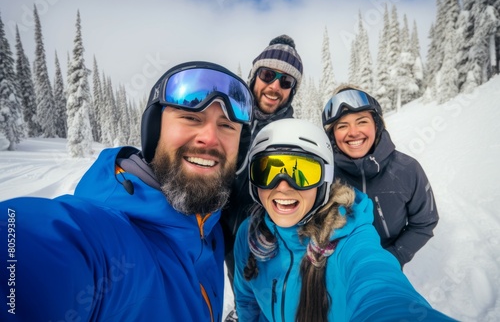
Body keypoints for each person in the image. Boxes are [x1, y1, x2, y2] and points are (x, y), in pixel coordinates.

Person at [0, 61, 253, 321]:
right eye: (191, 118)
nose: (210, 138)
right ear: (155, 130)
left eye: (226, 126)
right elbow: (31, 249)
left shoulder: (211, 228)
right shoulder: (107, 242)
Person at [233, 118, 456, 321]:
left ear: (325, 179)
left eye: (303, 172)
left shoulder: (349, 234)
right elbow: (246, 299)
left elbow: (376, 282)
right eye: (267, 171)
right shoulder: (250, 234)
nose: (282, 186)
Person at [221, 34, 303, 321]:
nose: (274, 86)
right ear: (254, 76)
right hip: (215, 227)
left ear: (292, 91)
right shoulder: (226, 116)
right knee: (229, 283)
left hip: (263, 232)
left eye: (286, 81)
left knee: (268, 290)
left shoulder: (291, 136)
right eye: (268, 75)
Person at [321, 84, 439, 268]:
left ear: (376, 125)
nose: (353, 132)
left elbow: (425, 222)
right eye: (343, 125)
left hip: (388, 265)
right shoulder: (324, 174)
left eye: (362, 121)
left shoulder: (407, 169)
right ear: (332, 135)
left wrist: (394, 256)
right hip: (340, 269)